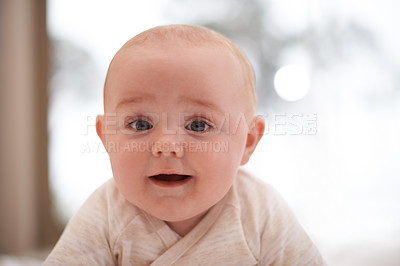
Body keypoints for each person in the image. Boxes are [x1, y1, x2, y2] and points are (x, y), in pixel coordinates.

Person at [44, 24, 324, 265]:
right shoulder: (105, 213)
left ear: (248, 142)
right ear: (106, 138)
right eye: (140, 125)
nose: (166, 146)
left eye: (198, 125)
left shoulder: (260, 211)